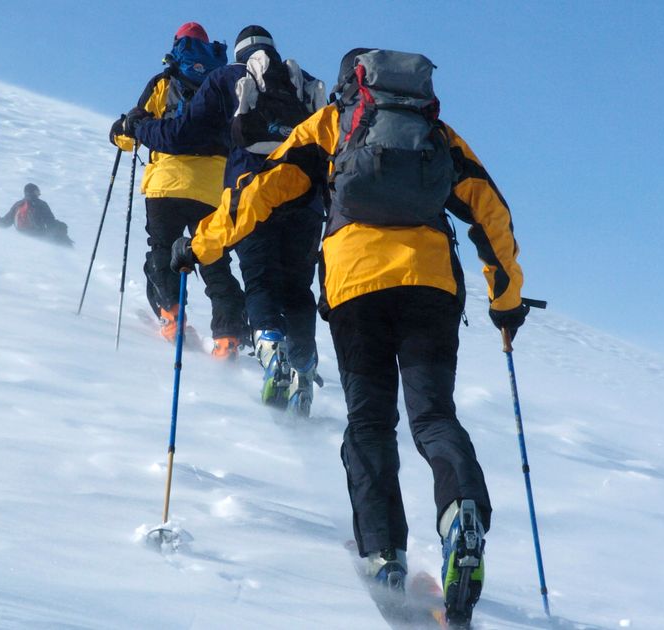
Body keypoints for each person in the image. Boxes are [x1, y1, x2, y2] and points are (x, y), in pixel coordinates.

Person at [169, 48, 529, 625]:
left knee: (369, 423)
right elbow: (491, 212)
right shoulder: (435, 133)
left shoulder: (330, 126)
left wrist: (200, 245)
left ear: (349, 87)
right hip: (431, 288)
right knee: (434, 417)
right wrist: (505, 301)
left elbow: (259, 192)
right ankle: (460, 514)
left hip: (357, 288)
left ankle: (384, 553)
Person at [126, 25, 326, 415]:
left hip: (252, 194)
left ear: (237, 52)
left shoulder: (227, 78)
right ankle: (302, 368)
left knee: (260, 278)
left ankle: (271, 353)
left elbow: (182, 134)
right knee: (297, 288)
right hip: (307, 201)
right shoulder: (304, 83)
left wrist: (140, 127)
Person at [109, 22, 248, 358]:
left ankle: (172, 316)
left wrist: (119, 134)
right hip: (213, 188)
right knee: (214, 261)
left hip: (167, 184)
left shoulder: (164, 82)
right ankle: (228, 335)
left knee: (162, 251)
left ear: (177, 44)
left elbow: (133, 131)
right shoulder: (225, 84)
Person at [0, 183, 73, 247]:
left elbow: (5, 223)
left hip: (22, 234)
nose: (39, 194)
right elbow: (50, 223)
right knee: (62, 237)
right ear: (34, 192)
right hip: (39, 234)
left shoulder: (18, 205)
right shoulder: (41, 204)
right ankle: (70, 254)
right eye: (37, 191)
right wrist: (61, 226)